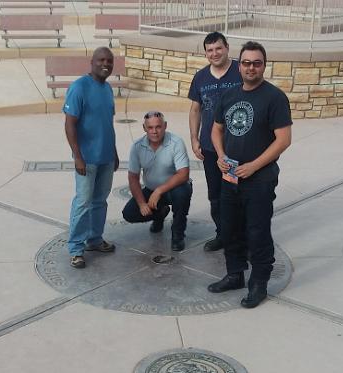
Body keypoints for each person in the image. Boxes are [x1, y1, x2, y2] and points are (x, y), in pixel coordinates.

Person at [207, 41, 292, 309]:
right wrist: (220, 155)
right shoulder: (229, 95)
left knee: (257, 232)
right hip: (230, 177)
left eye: (256, 63)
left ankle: (259, 283)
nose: (251, 68)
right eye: (246, 63)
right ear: (239, 65)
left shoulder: (275, 98)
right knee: (230, 229)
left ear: (264, 66)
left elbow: (283, 139)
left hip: (259, 180)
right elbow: (216, 129)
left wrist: (254, 166)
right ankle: (235, 275)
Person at [63, 47, 120, 269]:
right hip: (86, 159)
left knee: (100, 201)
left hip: (106, 157)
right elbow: (70, 124)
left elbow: (108, 123)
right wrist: (78, 156)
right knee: (83, 202)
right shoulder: (79, 87)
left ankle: (94, 239)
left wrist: (114, 152)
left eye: (109, 61)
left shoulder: (107, 89)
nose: (105, 64)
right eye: (101, 60)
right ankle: (76, 249)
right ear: (92, 62)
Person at [188, 32, 242, 252]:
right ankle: (223, 235)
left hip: (238, 147)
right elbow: (195, 110)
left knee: (239, 194)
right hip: (210, 149)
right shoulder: (200, 77)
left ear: (227, 47)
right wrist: (194, 138)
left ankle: (242, 238)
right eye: (210, 50)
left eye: (218, 48)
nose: (215, 53)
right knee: (216, 196)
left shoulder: (240, 71)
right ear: (205, 53)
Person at [122, 111, 192, 251]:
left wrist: (159, 191)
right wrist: (142, 204)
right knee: (129, 213)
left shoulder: (176, 142)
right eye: (150, 127)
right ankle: (160, 213)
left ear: (165, 126)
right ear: (144, 128)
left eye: (158, 127)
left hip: (174, 188)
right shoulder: (137, 147)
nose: (154, 131)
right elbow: (133, 178)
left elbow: (183, 174)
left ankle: (178, 234)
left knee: (182, 193)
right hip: (150, 190)